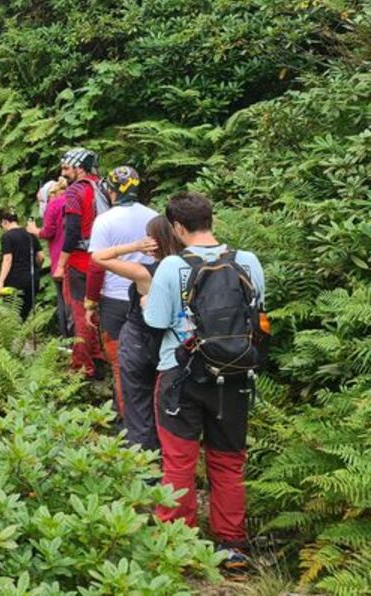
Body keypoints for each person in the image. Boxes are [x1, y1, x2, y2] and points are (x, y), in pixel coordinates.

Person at [143, 193, 266, 575]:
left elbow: (156, 323)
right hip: (235, 376)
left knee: (179, 461)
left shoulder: (170, 267)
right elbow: (257, 315)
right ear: (211, 220)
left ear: (177, 228)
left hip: (181, 376)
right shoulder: (248, 261)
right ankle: (232, 546)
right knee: (229, 461)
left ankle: (178, 544)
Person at [91, 215, 184, 455]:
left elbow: (99, 257)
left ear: (155, 241)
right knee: (165, 401)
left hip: (139, 342)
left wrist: (134, 247)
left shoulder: (145, 272)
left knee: (137, 401)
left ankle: (145, 459)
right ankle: (168, 453)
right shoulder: (187, 268)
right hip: (171, 343)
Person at [86, 166, 158, 417]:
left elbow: (96, 265)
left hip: (115, 300)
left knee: (120, 364)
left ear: (111, 190)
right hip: (149, 295)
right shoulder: (154, 217)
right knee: (153, 360)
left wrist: (90, 302)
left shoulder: (104, 220)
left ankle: (127, 419)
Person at [55, 147, 108, 379]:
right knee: (96, 311)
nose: (63, 173)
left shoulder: (75, 191)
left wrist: (60, 263)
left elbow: (73, 230)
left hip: (79, 261)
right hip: (104, 260)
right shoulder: (103, 186)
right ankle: (98, 355)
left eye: (67, 168)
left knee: (80, 313)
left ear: (79, 168)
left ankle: (82, 367)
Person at [28, 177, 72, 338]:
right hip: (78, 257)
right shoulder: (73, 199)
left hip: (60, 258)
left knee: (64, 301)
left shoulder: (54, 204)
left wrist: (34, 230)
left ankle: (68, 339)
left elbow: (48, 232)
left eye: (41, 201)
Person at [0, 211, 43, 320]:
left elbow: (7, 259)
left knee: (12, 315)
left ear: (5, 222)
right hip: (32, 280)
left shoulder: (7, 236)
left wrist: (0, 283)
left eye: (1, 225)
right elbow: (41, 256)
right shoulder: (30, 234)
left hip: (15, 281)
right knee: (25, 314)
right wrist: (36, 268)